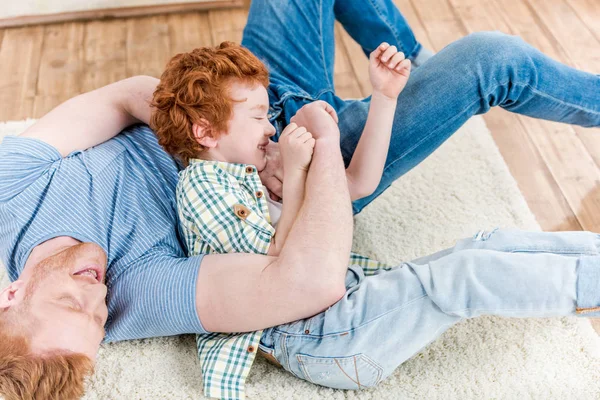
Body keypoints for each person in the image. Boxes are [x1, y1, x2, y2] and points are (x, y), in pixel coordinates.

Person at [0, 0, 599, 399]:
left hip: (238, 110)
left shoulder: (10, 195)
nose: (97, 294)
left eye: (72, 302)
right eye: (99, 318)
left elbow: (127, 94)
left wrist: (209, 128)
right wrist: (305, 149)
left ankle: (413, 68)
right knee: (494, 60)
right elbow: (311, 280)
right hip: (311, 170)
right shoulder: (136, 296)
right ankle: (425, 84)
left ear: (10, 295)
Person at [152, 40, 409, 398]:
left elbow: (356, 183)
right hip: (295, 328)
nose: (271, 128)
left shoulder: (258, 163)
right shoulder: (201, 188)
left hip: (336, 288)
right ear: (206, 132)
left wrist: (385, 97)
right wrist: (299, 170)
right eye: (258, 117)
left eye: (268, 116)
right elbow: (279, 260)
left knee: (443, 277)